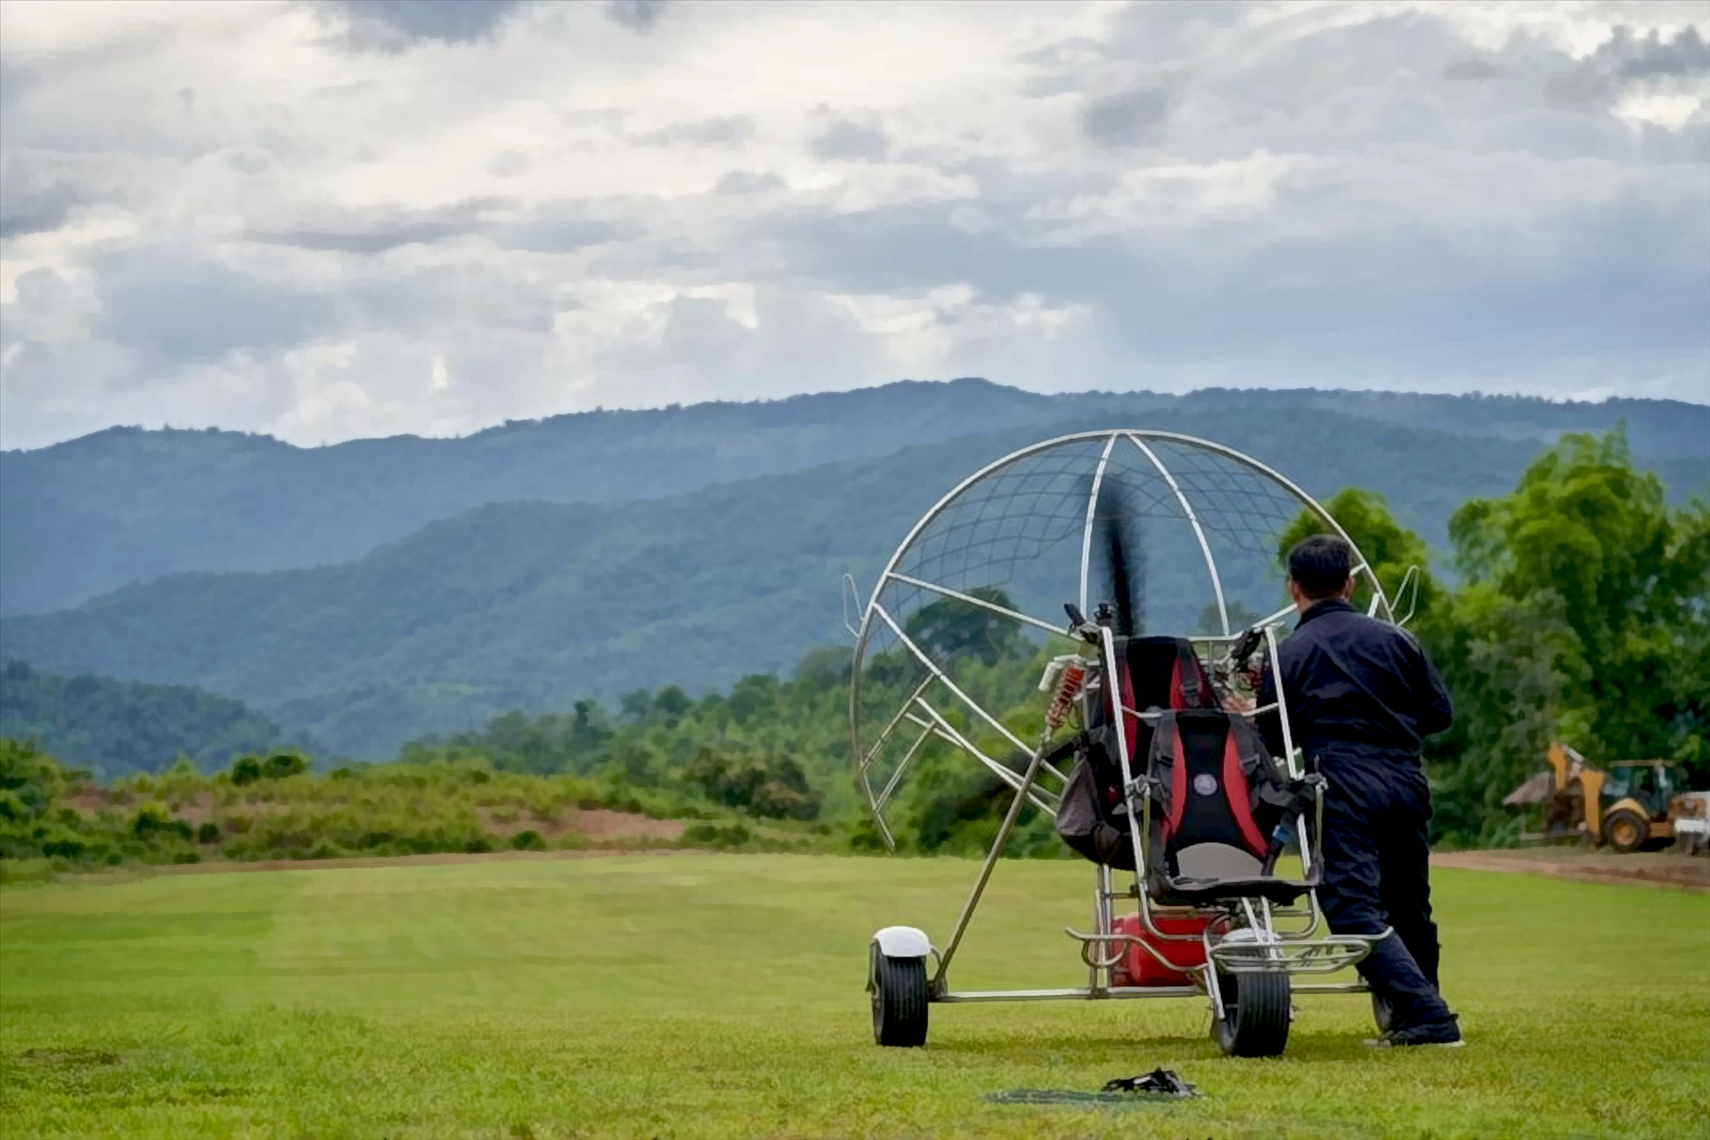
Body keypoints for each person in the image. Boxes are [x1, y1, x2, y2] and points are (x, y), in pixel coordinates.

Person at [1253, 534, 1462, 1048]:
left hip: (1341, 781)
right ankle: (1416, 1016)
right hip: (1405, 779)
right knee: (1409, 904)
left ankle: (1430, 1017)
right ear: (1349, 583)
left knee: (1350, 907)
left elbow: (1273, 743)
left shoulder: (1290, 655)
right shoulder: (1398, 641)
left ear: (1293, 588)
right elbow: (1439, 715)